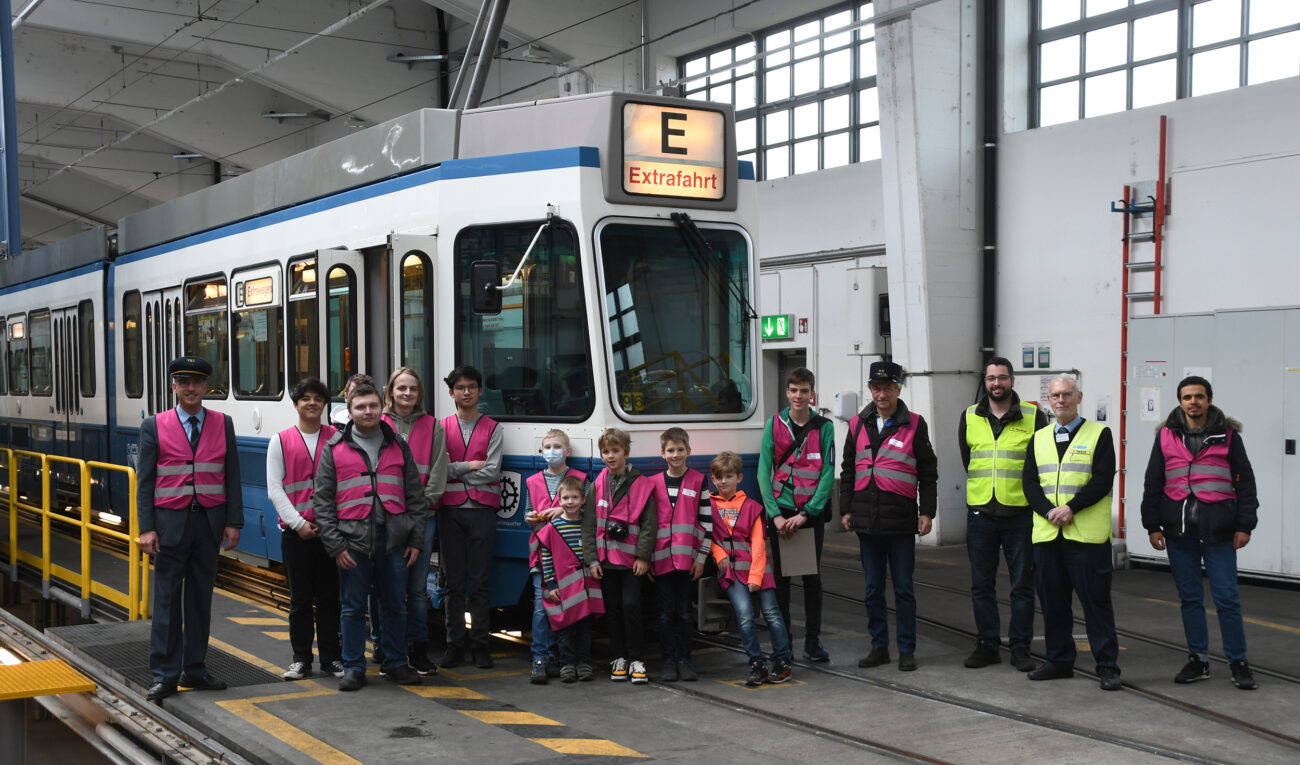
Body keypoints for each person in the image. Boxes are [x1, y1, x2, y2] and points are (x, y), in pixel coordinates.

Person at [1140, 375, 1258, 690]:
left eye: (1199, 396)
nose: (1193, 402)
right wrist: (1152, 525)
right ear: (1180, 401)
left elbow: (1244, 482)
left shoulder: (1228, 435)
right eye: (1187, 397)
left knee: (1227, 598)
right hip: (1179, 533)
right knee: (1190, 598)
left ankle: (1238, 661)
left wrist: (1245, 525)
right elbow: (1153, 482)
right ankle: (1199, 659)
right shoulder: (1165, 436)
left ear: (1209, 399)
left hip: (1219, 530)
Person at [137, 356, 243, 703]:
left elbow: (232, 475)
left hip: (208, 525)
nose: (191, 388)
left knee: (200, 600)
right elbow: (146, 482)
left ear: (206, 387)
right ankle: (165, 675)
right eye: (184, 382)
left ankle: (194, 669)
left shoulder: (223, 423)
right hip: (169, 526)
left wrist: (233, 522)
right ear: (174, 386)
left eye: (197, 382)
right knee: (167, 602)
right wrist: (147, 529)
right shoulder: (155, 425)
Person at [314, 383, 427, 691]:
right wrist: (335, 545)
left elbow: (416, 497)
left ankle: (395, 663)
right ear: (349, 411)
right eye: (361, 407)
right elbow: (322, 502)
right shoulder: (333, 449)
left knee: (395, 605)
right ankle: (354, 667)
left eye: (373, 406)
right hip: (352, 543)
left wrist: (415, 540)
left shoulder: (398, 446)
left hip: (393, 541)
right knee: (351, 607)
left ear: (381, 407)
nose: (368, 411)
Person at [1022, 374, 1122, 691]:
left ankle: (1107, 666)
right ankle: (1059, 661)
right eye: (1055, 396)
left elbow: (1102, 480)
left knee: (1096, 604)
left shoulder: (1098, 434)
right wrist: (1049, 511)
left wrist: (1071, 507)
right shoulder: (1038, 438)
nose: (1061, 400)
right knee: (1053, 603)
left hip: (1086, 538)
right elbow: (1029, 483)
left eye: (1067, 395)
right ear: (1048, 401)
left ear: (1079, 397)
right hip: (1048, 536)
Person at [839, 360, 937, 672]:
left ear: (898, 388)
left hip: (900, 520)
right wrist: (845, 509)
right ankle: (879, 646)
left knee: (904, 588)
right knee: (872, 589)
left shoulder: (915, 424)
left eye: (887, 388)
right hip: (867, 521)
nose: (881, 394)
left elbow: (928, 471)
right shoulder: (857, 424)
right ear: (870, 389)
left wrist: (928, 512)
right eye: (876, 388)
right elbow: (848, 469)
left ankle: (906, 649)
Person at [957, 357, 1047, 672]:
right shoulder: (969, 416)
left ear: (1012, 380)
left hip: (1020, 514)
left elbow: (1041, 466)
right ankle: (987, 645)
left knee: (1023, 584)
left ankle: (1020, 648)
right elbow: (969, 460)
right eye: (992, 378)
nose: (997, 384)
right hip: (981, 513)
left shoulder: (1035, 416)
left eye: (1003, 378)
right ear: (985, 381)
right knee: (981, 584)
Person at [757, 367, 835, 663]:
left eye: (804, 390)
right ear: (787, 392)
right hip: (781, 512)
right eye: (793, 390)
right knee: (782, 579)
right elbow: (765, 472)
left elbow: (828, 474)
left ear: (812, 393)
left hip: (809, 514)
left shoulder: (824, 427)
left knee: (811, 579)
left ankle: (812, 643)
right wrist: (775, 515)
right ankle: (784, 643)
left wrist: (807, 513)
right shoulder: (773, 425)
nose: (798, 396)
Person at [267, 377, 342, 681]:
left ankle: (331, 658)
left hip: (330, 533)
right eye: (306, 398)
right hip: (295, 535)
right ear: (296, 403)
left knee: (329, 598)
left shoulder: (337, 438)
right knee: (300, 600)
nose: (312, 403)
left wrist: (328, 524)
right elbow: (275, 489)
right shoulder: (280, 440)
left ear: (325, 405)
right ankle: (300, 659)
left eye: (318, 399)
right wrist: (298, 524)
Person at [382, 367, 448, 676]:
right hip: (388, 518)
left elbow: (438, 471)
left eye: (412, 389)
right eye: (401, 388)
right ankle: (388, 650)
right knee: (390, 588)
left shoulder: (433, 426)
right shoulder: (378, 423)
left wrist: (421, 506)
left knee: (418, 589)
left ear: (419, 393)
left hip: (422, 517)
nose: (407, 394)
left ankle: (418, 650)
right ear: (391, 392)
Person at [438, 365, 503, 670]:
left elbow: (492, 470)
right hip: (450, 511)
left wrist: (457, 470)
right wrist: (470, 467)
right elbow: (439, 470)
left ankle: (480, 645)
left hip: (482, 512)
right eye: (460, 387)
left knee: (479, 582)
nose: (466, 392)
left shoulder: (493, 428)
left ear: (479, 390)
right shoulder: (441, 427)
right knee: (453, 583)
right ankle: (454, 645)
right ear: (451, 392)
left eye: (471, 387)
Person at [710, 451, 793, 687]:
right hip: (731, 572)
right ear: (713, 479)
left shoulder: (753, 506)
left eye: (729, 476)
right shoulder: (709, 505)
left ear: (739, 477)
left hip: (759, 570)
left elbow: (759, 544)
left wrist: (755, 577)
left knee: (772, 614)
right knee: (744, 616)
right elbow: (708, 538)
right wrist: (718, 553)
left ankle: (782, 662)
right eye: (719, 477)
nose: (724, 481)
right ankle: (757, 663)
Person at [581, 428, 657, 684]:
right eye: (606, 452)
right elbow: (589, 522)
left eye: (615, 451)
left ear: (626, 452)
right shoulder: (598, 483)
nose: (610, 456)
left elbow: (649, 525)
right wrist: (592, 559)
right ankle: (619, 658)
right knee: (612, 609)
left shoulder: (642, 484)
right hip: (605, 561)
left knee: (631, 607)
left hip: (631, 561)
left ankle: (637, 659)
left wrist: (643, 557)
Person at [524, 429, 587, 684]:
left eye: (557, 446)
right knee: (541, 606)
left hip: (571, 558)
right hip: (542, 555)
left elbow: (587, 510)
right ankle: (540, 657)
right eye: (547, 446)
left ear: (568, 451)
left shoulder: (581, 479)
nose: (552, 451)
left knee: (565, 607)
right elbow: (528, 512)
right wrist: (530, 517)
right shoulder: (532, 481)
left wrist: (562, 509)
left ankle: (559, 657)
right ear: (541, 452)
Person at [650, 427, 710, 681]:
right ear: (662, 453)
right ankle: (668, 660)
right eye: (671, 450)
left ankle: (685, 659)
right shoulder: (651, 484)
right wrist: (646, 558)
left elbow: (706, 523)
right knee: (665, 612)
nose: (676, 455)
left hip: (688, 562)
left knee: (685, 612)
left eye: (680, 450)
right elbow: (647, 524)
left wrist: (701, 558)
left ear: (689, 451)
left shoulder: (699, 480)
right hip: (661, 560)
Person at [533, 476, 603, 683]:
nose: (570, 502)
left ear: (583, 500)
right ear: (559, 501)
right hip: (564, 588)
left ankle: (583, 663)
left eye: (574, 497)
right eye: (565, 498)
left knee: (584, 628)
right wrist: (551, 584)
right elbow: (546, 556)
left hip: (587, 586)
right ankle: (567, 664)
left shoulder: (589, 524)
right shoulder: (553, 527)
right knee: (565, 628)